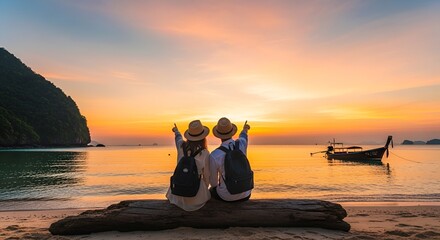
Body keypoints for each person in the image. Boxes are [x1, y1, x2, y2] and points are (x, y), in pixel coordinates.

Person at [166, 120, 211, 211]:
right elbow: (207, 176)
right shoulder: (205, 153)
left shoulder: (181, 146)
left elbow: (178, 138)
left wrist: (176, 131)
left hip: (177, 195)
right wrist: (204, 189)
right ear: (203, 137)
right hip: (196, 197)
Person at [209, 117, 252, 202]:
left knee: (211, 191)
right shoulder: (241, 144)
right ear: (232, 132)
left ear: (219, 135)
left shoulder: (214, 155)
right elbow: (243, 136)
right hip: (246, 193)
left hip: (226, 197)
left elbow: (213, 183)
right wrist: (245, 129)